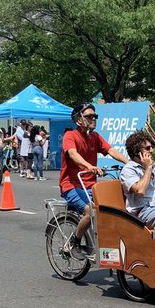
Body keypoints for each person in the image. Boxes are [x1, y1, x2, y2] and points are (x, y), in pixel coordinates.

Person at [59, 103, 128, 254]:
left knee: (115, 209)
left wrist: (128, 163)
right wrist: (89, 166)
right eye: (89, 116)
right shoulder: (70, 136)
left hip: (91, 186)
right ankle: (74, 242)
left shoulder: (95, 137)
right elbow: (72, 154)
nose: (93, 119)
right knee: (90, 212)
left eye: (95, 116)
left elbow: (111, 150)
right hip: (71, 186)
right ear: (78, 120)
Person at [120, 130, 155, 228]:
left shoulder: (152, 167)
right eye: (147, 148)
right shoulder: (129, 169)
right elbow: (140, 190)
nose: (151, 150)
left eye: (151, 147)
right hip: (143, 211)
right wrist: (148, 168)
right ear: (137, 152)